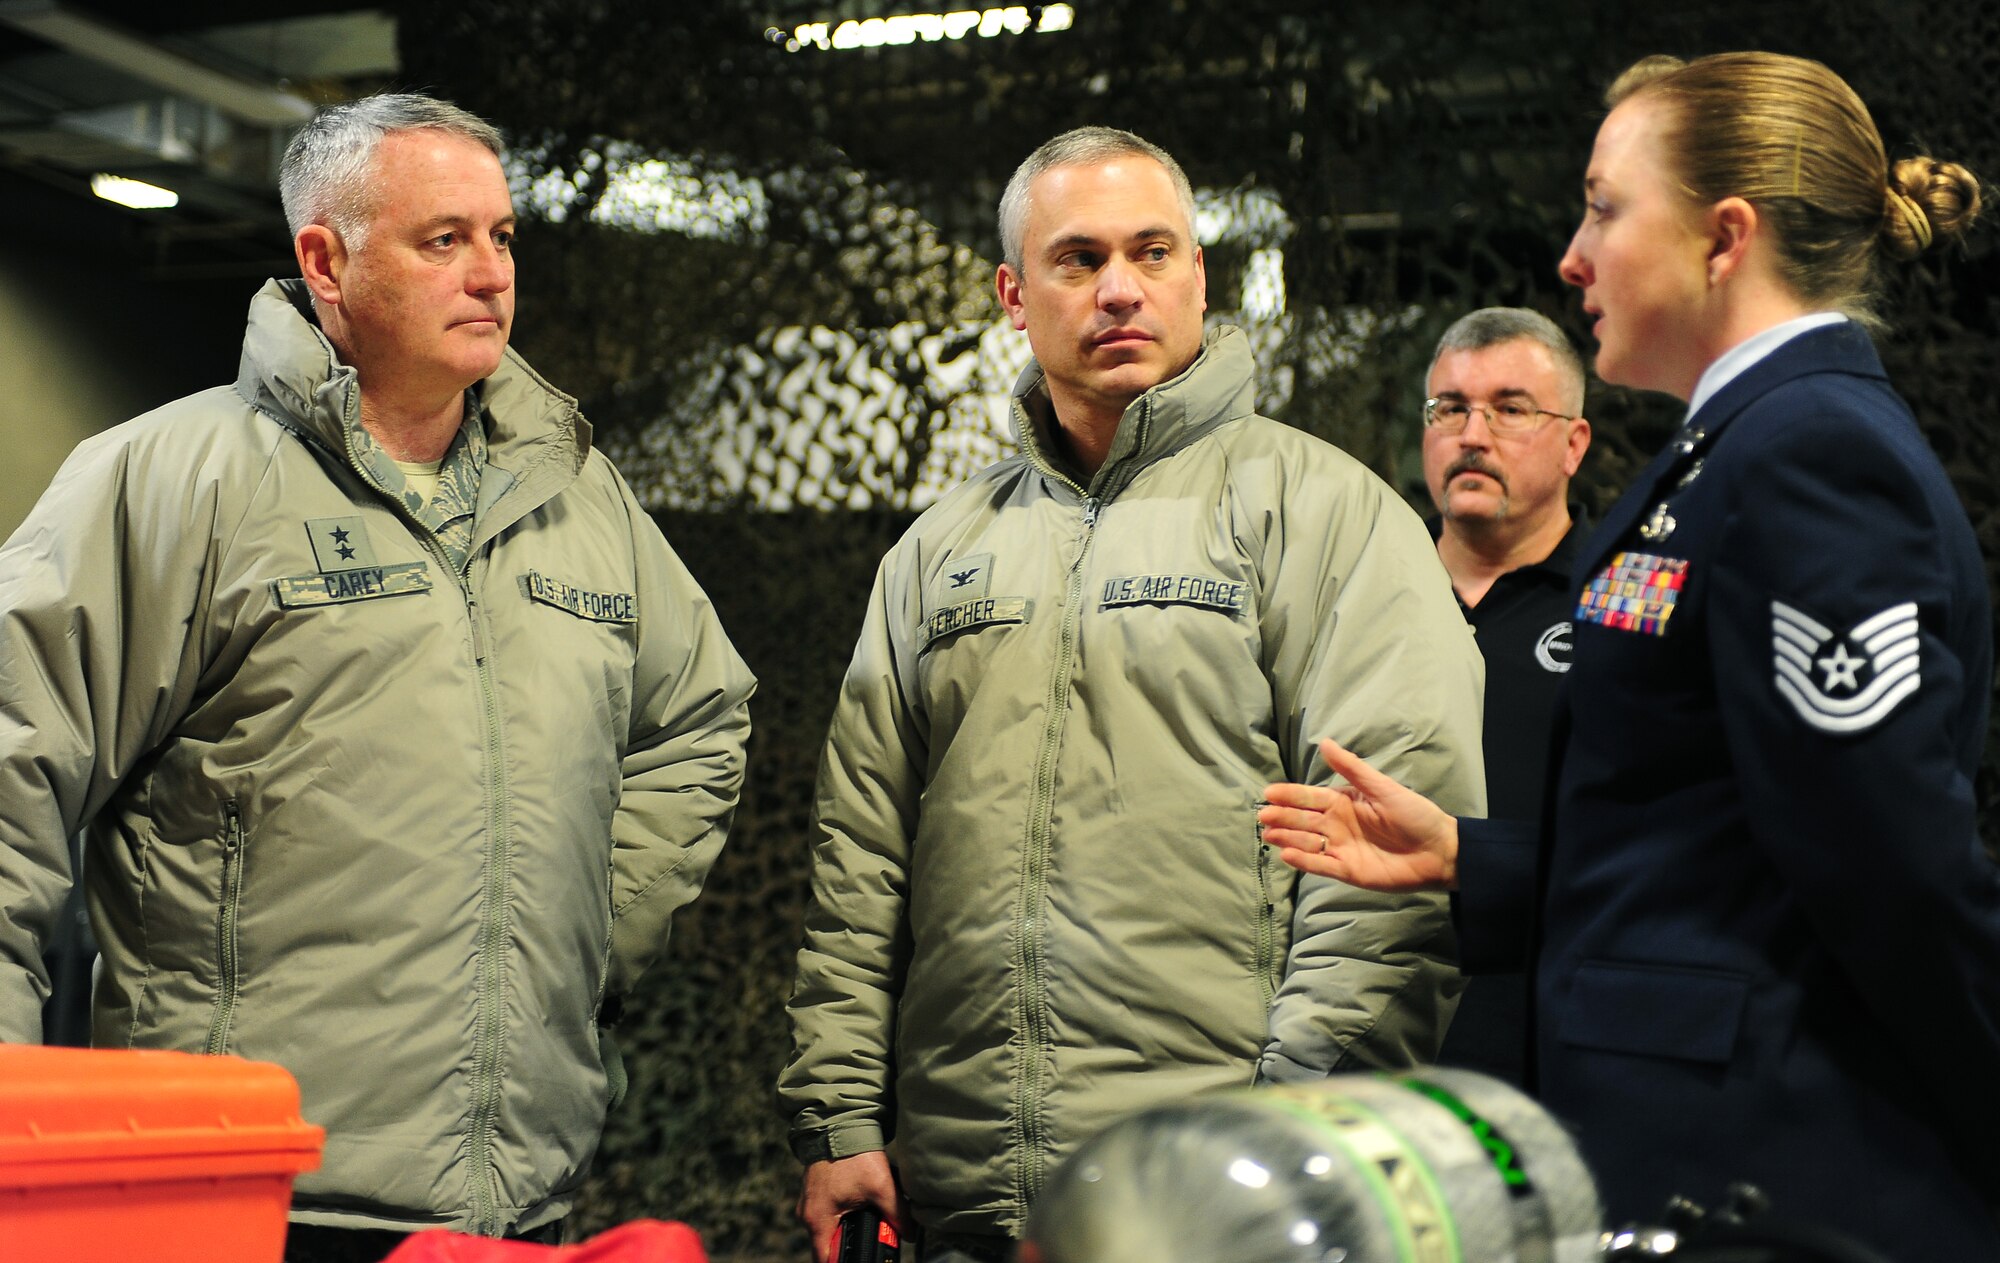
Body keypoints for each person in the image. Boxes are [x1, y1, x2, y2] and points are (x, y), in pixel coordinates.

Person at [1259, 52, 1999, 1259]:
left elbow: (1889, 869)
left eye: (1604, 208)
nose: (1570, 256)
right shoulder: (1728, 451)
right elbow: (1711, 844)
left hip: (1767, 1172)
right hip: (1688, 1146)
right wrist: (1468, 858)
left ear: (1723, 239)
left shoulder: (1810, 455)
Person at [0, 94, 755, 1257]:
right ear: (326, 263)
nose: (491, 274)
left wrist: (583, 932)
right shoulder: (172, 480)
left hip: (519, 1200)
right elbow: (11, 770)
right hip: (243, 1193)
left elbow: (699, 717)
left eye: (501, 237)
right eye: (442, 239)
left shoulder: (579, 498)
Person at [779, 126, 1485, 1262]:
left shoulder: (1327, 516)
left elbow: (1387, 874)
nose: (1119, 289)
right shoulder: (936, 552)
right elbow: (861, 859)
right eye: (1078, 259)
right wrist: (842, 1118)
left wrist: (1290, 1135)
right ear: (1014, 296)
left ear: (1198, 275)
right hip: (956, 1200)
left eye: (1152, 253)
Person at [1421, 308, 1592, 1087]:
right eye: (1450, 408)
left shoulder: (1622, 603)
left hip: (1558, 1038)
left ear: (1573, 444)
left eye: (1510, 409)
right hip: (1378, 1041)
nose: (1472, 435)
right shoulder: (1361, 588)